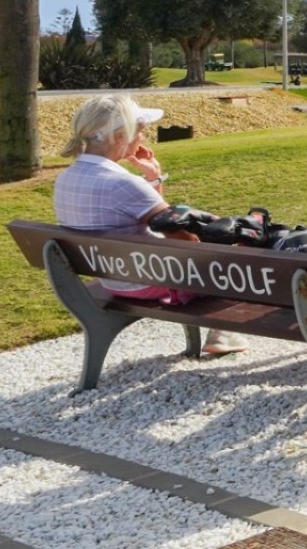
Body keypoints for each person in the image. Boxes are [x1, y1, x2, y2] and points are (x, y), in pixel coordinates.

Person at [53, 95, 247, 356]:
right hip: (147, 281)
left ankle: (222, 331)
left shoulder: (66, 179)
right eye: (140, 130)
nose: (143, 137)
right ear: (119, 136)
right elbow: (182, 239)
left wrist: (153, 179)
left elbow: (161, 220)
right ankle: (223, 332)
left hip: (112, 279)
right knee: (226, 245)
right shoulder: (122, 184)